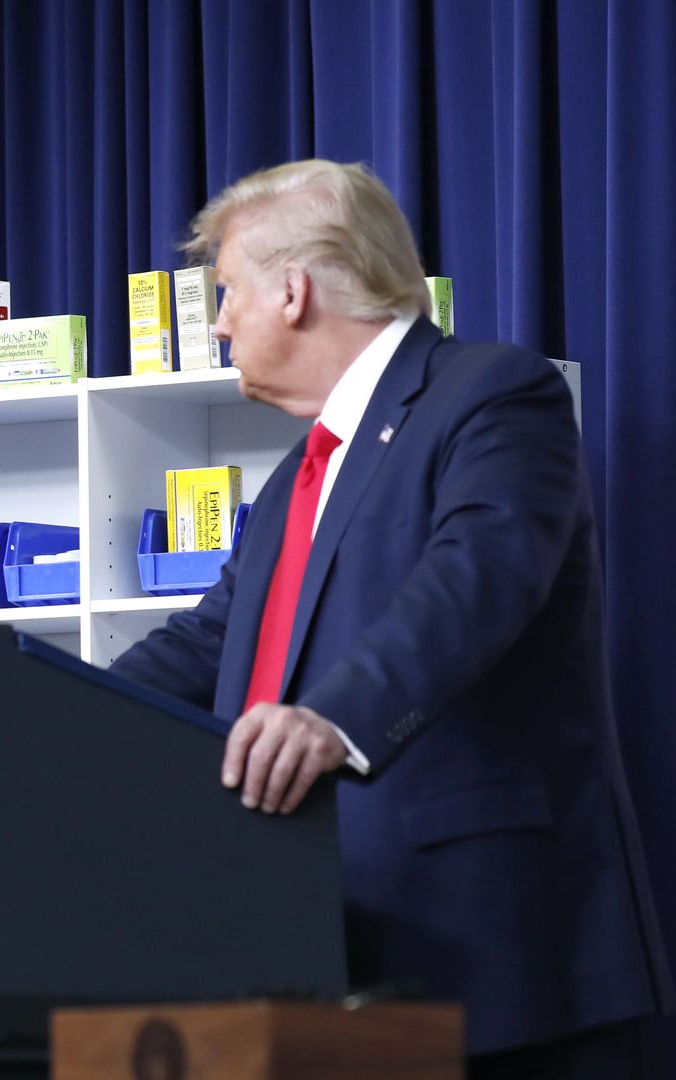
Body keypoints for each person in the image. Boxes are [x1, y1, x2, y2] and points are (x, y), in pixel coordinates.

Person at [108, 160, 670, 1077]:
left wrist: (334, 719)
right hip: (325, 959)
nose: (219, 324)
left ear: (292, 292)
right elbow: (207, 641)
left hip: (497, 965)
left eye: (226, 292)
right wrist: (24, 700)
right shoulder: (296, 476)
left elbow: (477, 581)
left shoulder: (494, 392)